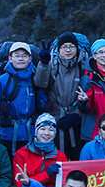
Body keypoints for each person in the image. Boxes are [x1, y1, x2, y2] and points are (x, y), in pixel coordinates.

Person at [34, 32, 90, 160]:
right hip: (55, 119)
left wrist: (77, 115)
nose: (68, 50)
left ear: (77, 48)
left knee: (77, 157)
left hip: (76, 120)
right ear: (58, 50)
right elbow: (40, 82)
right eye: (64, 47)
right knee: (56, 158)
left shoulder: (83, 66)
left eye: (71, 46)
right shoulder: (52, 65)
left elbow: (87, 92)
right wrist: (43, 64)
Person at [0, 41, 43, 157]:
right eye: (17, 55)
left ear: (30, 58)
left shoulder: (35, 79)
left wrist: (44, 104)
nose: (21, 59)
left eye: (24, 55)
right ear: (10, 59)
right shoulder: (2, 80)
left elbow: (41, 99)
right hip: (7, 133)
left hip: (30, 133)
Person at [13, 113, 66, 187]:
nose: (46, 133)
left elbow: (64, 185)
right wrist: (46, 175)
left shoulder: (60, 156)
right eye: (42, 129)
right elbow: (19, 185)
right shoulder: (22, 154)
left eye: (51, 130)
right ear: (36, 131)